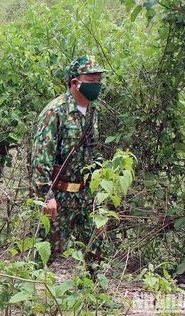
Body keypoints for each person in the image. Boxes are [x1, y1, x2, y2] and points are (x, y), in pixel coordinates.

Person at [31, 55, 106, 267]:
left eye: (99, 80)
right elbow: (40, 158)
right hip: (59, 196)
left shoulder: (93, 111)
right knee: (45, 252)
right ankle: (19, 294)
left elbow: (93, 151)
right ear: (75, 82)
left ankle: (96, 297)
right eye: (92, 81)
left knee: (96, 248)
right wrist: (47, 196)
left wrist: (101, 173)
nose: (97, 86)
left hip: (85, 195)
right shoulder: (55, 111)